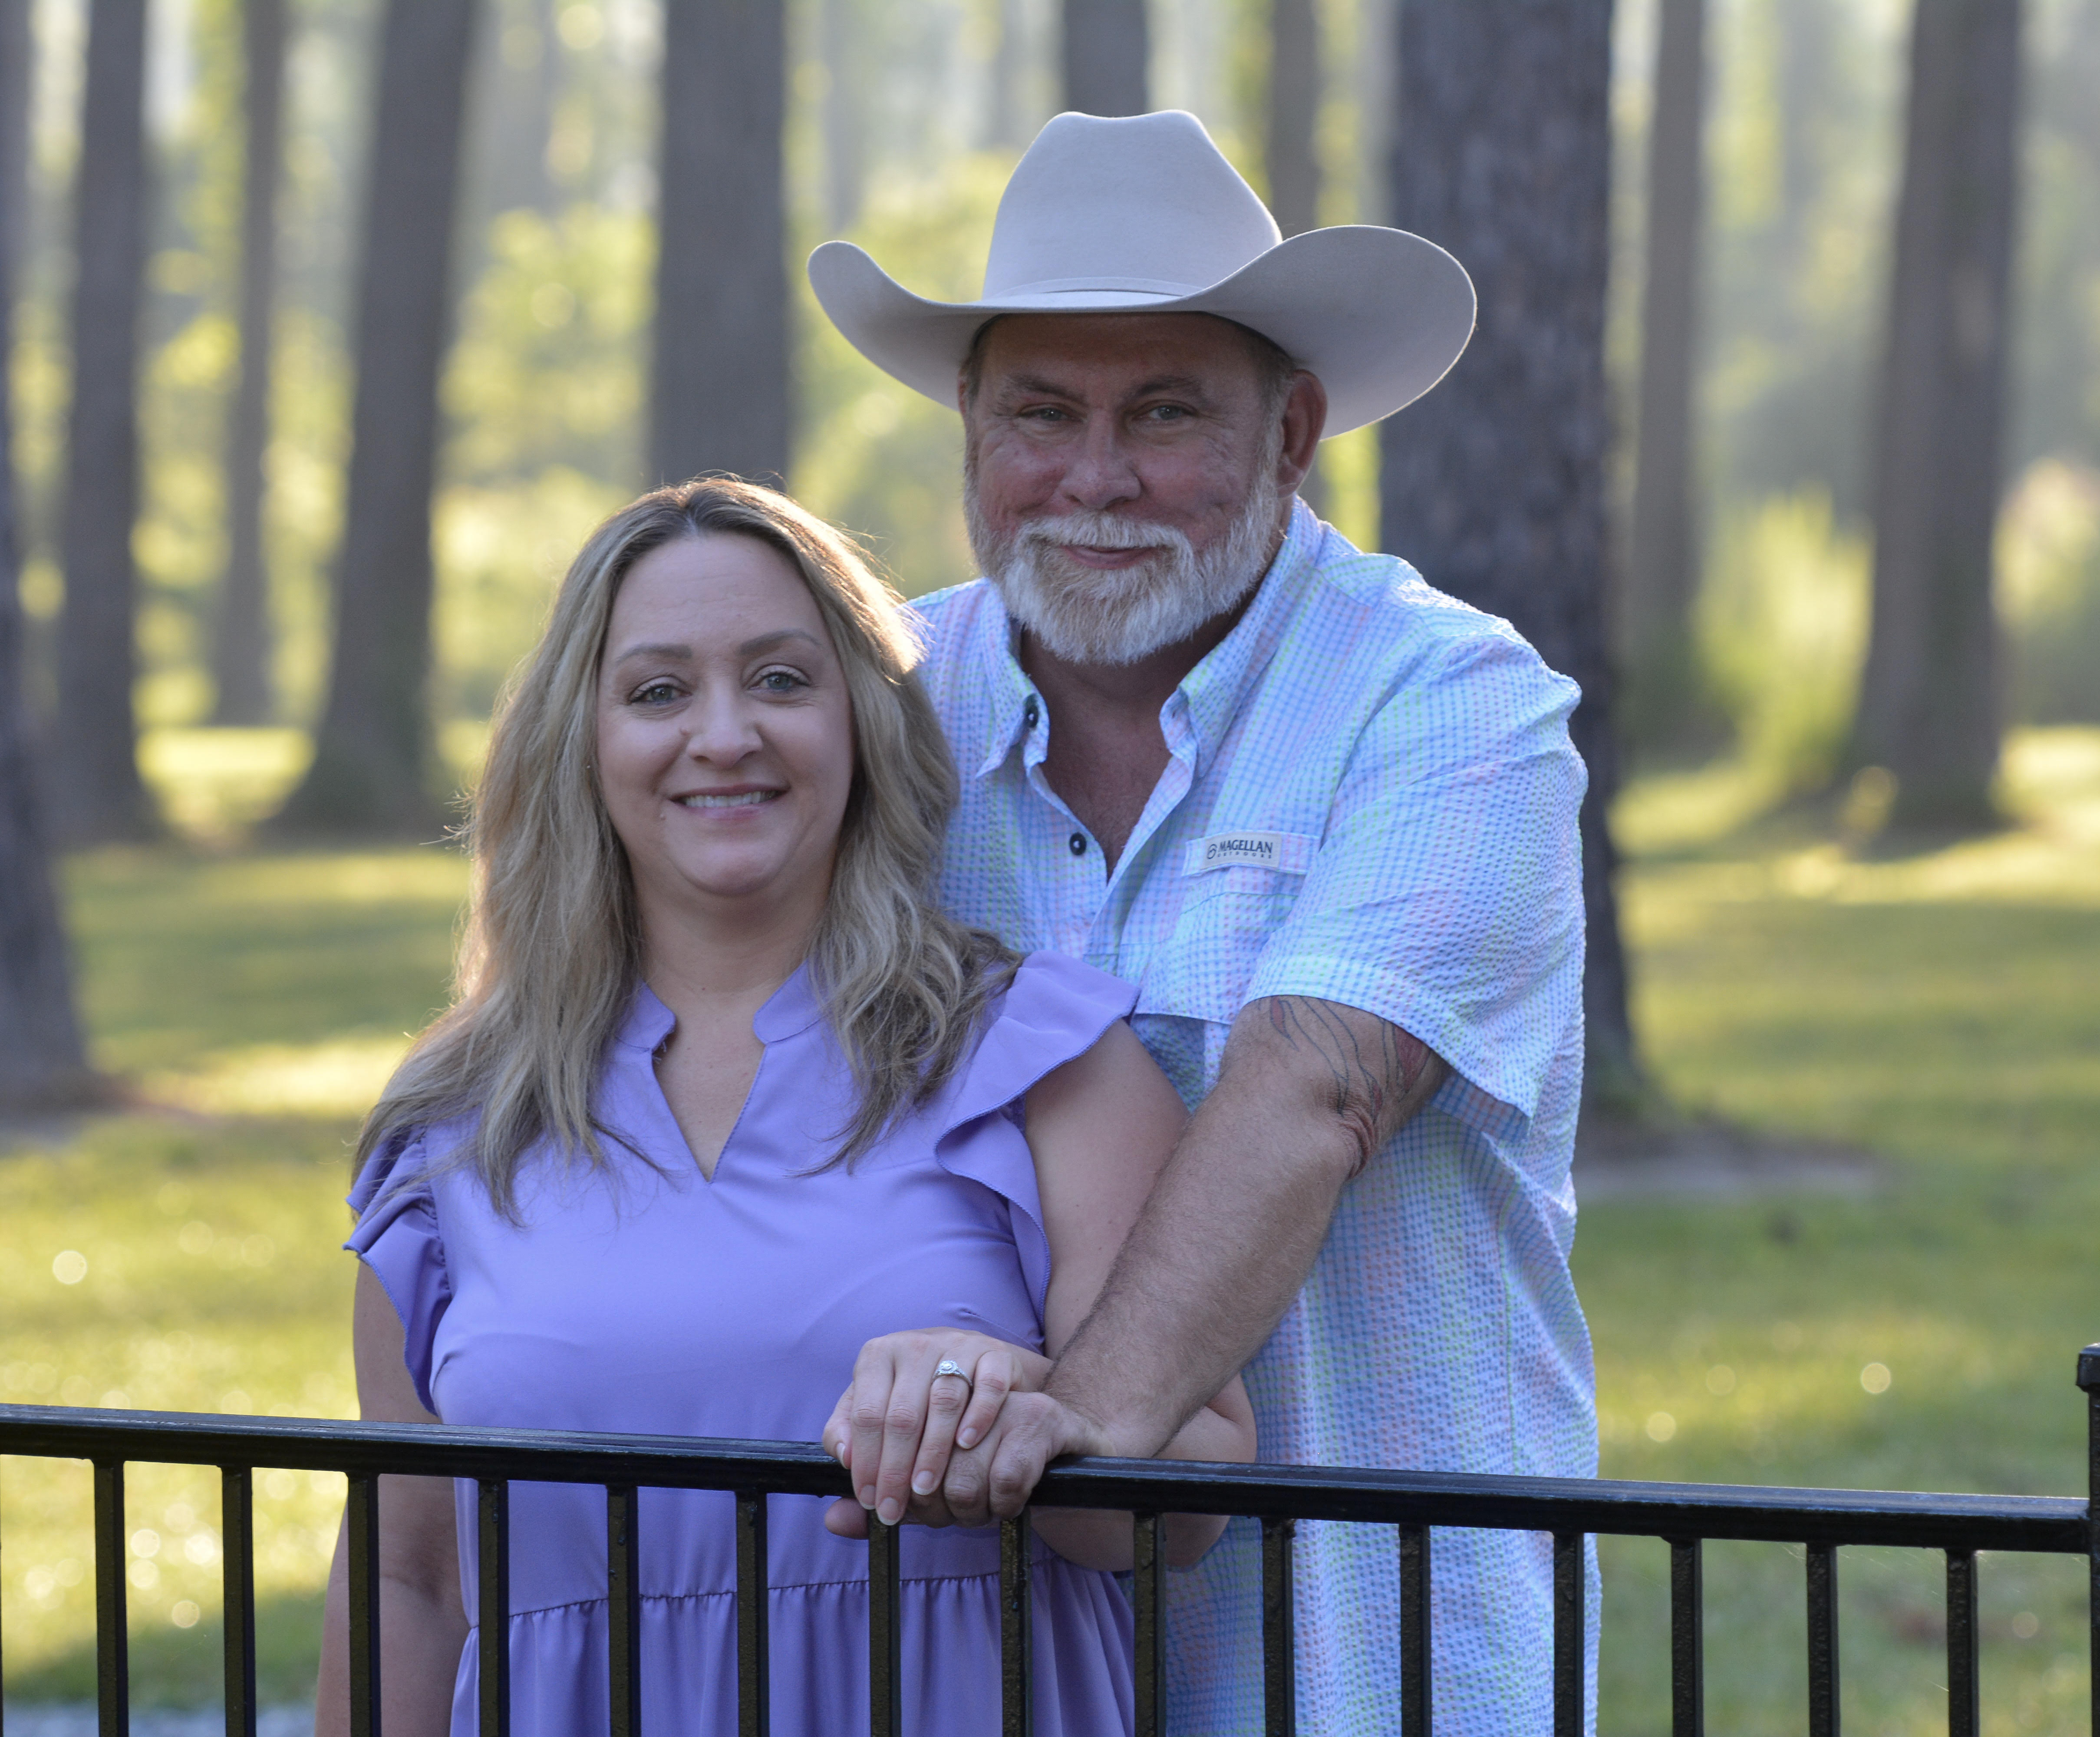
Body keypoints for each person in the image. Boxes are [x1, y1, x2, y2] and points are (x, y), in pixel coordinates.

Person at [808, 112, 1600, 1731]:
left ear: (1294, 428)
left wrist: (1064, 1436)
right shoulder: (883, 709)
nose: (1097, 478)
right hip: (973, 1662)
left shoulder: (1453, 705)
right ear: (967, 424)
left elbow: (1316, 1090)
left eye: (1166, 412)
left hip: (1380, 1658)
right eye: (1041, 412)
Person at [313, 478, 1252, 1737]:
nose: (724, 735)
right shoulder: (459, 1127)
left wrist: (1026, 1410)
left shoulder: (1042, 1060)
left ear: (859, 718)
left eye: (780, 680)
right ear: (579, 742)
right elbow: (410, 1582)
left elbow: (1184, 1514)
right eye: (657, 691)